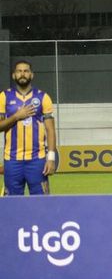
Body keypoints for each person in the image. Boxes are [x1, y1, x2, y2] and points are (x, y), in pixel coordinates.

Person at [0, 60, 56, 195]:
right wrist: (16, 116)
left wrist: (51, 158)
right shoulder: (4, 97)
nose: (22, 74)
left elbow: (50, 130)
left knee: (42, 204)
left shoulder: (43, 97)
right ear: (14, 75)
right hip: (12, 161)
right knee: (11, 205)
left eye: (26, 71)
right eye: (19, 71)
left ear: (32, 75)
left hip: (37, 161)